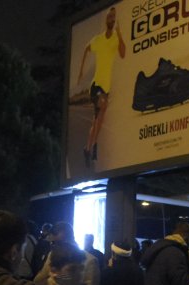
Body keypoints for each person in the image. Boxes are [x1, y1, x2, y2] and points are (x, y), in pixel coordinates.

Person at [77, 6, 125, 169]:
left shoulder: (115, 40)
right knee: (101, 108)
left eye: (113, 16)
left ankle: (88, 148)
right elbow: (86, 49)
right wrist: (81, 71)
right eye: (109, 16)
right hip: (96, 85)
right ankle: (91, 148)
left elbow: (123, 53)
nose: (111, 19)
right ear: (106, 20)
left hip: (106, 88)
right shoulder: (98, 40)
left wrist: (119, 33)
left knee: (97, 121)